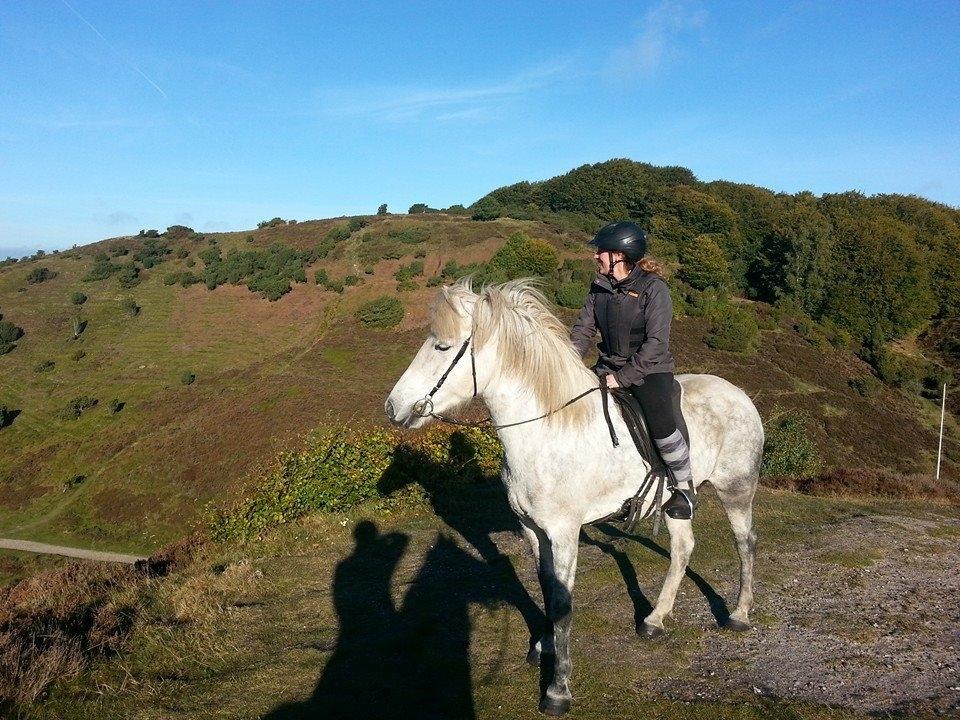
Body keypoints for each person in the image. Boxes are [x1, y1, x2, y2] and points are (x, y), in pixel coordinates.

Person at [569, 221, 694, 520]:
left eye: (601, 252)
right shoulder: (598, 287)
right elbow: (583, 331)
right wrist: (568, 365)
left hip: (650, 370)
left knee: (660, 419)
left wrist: (622, 378)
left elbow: (656, 343)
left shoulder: (654, 289)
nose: (595, 256)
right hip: (607, 368)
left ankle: (684, 489)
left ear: (620, 256)